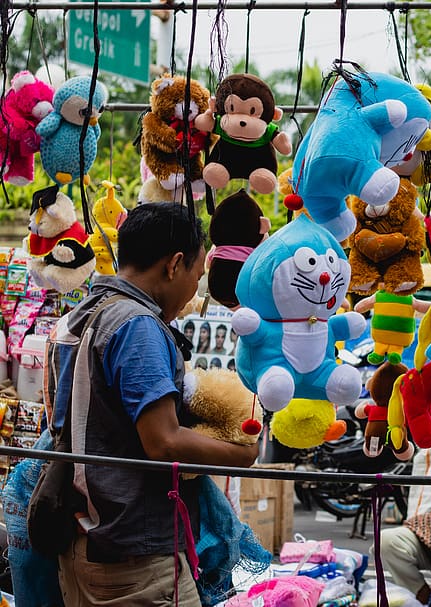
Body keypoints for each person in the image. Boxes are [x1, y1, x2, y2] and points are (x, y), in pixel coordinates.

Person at [45, 203, 259, 606]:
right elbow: (162, 441)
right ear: (175, 265)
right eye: (197, 275)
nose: (194, 288)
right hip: (132, 558)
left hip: (86, 542)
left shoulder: (84, 313)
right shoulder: (137, 325)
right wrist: (241, 454)